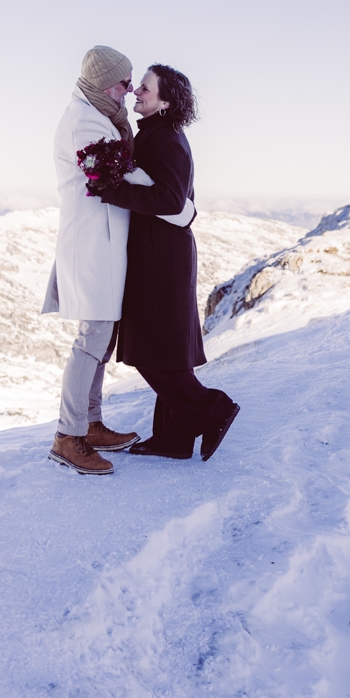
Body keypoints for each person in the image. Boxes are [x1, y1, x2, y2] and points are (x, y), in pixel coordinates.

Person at [96, 64, 239, 461]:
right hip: (160, 250)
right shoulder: (159, 135)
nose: (137, 92)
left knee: (149, 351)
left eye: (145, 87)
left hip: (161, 257)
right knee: (166, 350)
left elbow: (172, 201)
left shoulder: (166, 140)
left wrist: (112, 192)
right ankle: (173, 440)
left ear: (166, 100)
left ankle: (215, 409)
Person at [42, 45, 140, 475]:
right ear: (104, 83)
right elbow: (111, 173)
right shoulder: (84, 119)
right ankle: (68, 435)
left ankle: (90, 422)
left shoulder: (98, 115)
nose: (130, 89)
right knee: (92, 337)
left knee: (102, 338)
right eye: (124, 82)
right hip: (90, 245)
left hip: (104, 243)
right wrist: (167, 190)